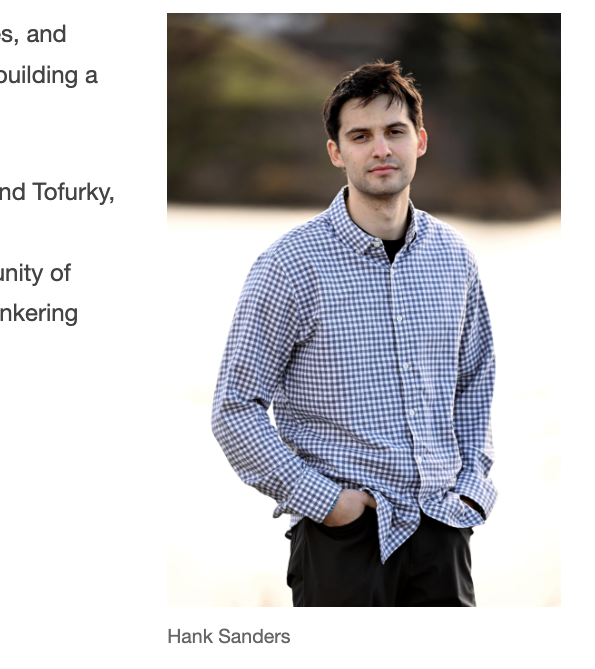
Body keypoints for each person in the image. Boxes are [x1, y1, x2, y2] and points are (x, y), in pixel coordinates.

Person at [211, 61, 496, 607]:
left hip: (443, 529)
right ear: (337, 153)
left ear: (421, 140)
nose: (380, 149)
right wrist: (328, 503)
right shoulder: (289, 266)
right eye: (360, 136)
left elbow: (474, 381)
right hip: (342, 541)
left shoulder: (454, 258)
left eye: (395, 132)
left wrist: (473, 490)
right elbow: (235, 407)